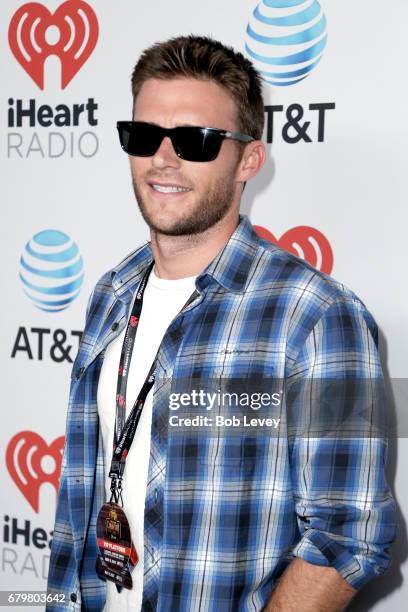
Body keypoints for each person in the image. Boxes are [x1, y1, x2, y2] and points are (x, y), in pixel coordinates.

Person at [46, 35, 397, 611]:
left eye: (194, 141)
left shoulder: (314, 315)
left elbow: (349, 535)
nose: (163, 158)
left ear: (249, 160)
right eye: (144, 136)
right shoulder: (111, 292)